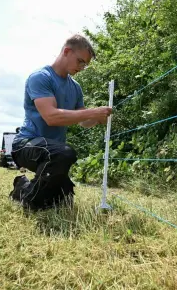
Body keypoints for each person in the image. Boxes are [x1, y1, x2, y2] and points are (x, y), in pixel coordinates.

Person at [10, 34, 112, 211]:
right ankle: (29, 200)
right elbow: (52, 117)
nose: (82, 67)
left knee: (64, 200)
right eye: (80, 61)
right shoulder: (41, 77)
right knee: (65, 154)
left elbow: (83, 120)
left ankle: (23, 186)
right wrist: (93, 112)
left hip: (53, 150)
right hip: (26, 145)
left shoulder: (75, 87)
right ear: (66, 51)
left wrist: (97, 118)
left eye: (85, 64)